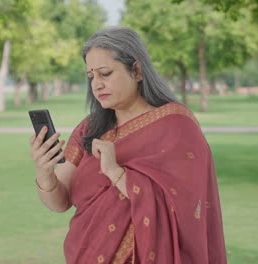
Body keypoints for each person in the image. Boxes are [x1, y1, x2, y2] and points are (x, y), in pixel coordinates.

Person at [29, 26, 227, 264]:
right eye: (91, 76)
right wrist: (44, 171)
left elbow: (186, 207)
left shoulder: (176, 125)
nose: (97, 85)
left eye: (105, 73)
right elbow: (60, 202)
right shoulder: (89, 129)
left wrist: (115, 171)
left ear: (137, 70)